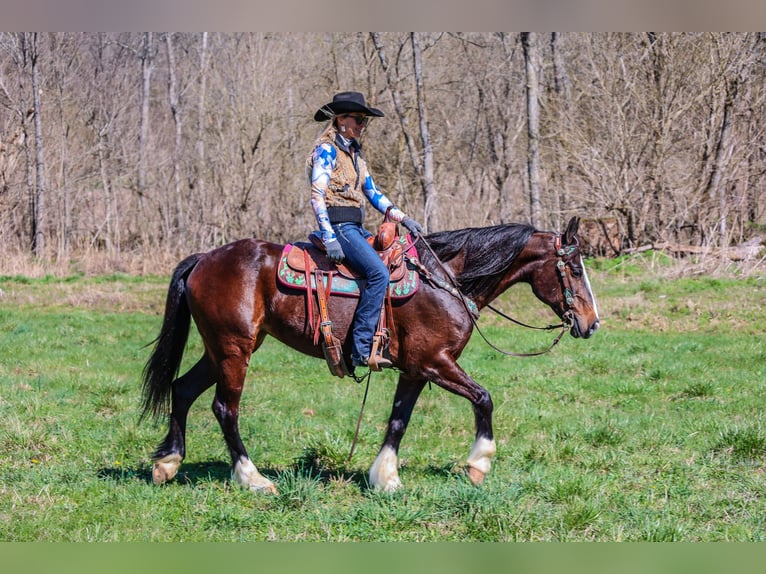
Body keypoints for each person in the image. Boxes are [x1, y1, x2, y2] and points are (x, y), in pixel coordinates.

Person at [308, 91, 423, 371]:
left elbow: (372, 191)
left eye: (364, 121)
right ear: (341, 120)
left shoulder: (355, 154)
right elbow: (317, 194)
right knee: (378, 273)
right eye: (358, 119)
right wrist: (330, 236)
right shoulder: (327, 149)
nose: (362, 125)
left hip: (356, 227)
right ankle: (360, 349)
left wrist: (403, 217)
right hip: (339, 227)